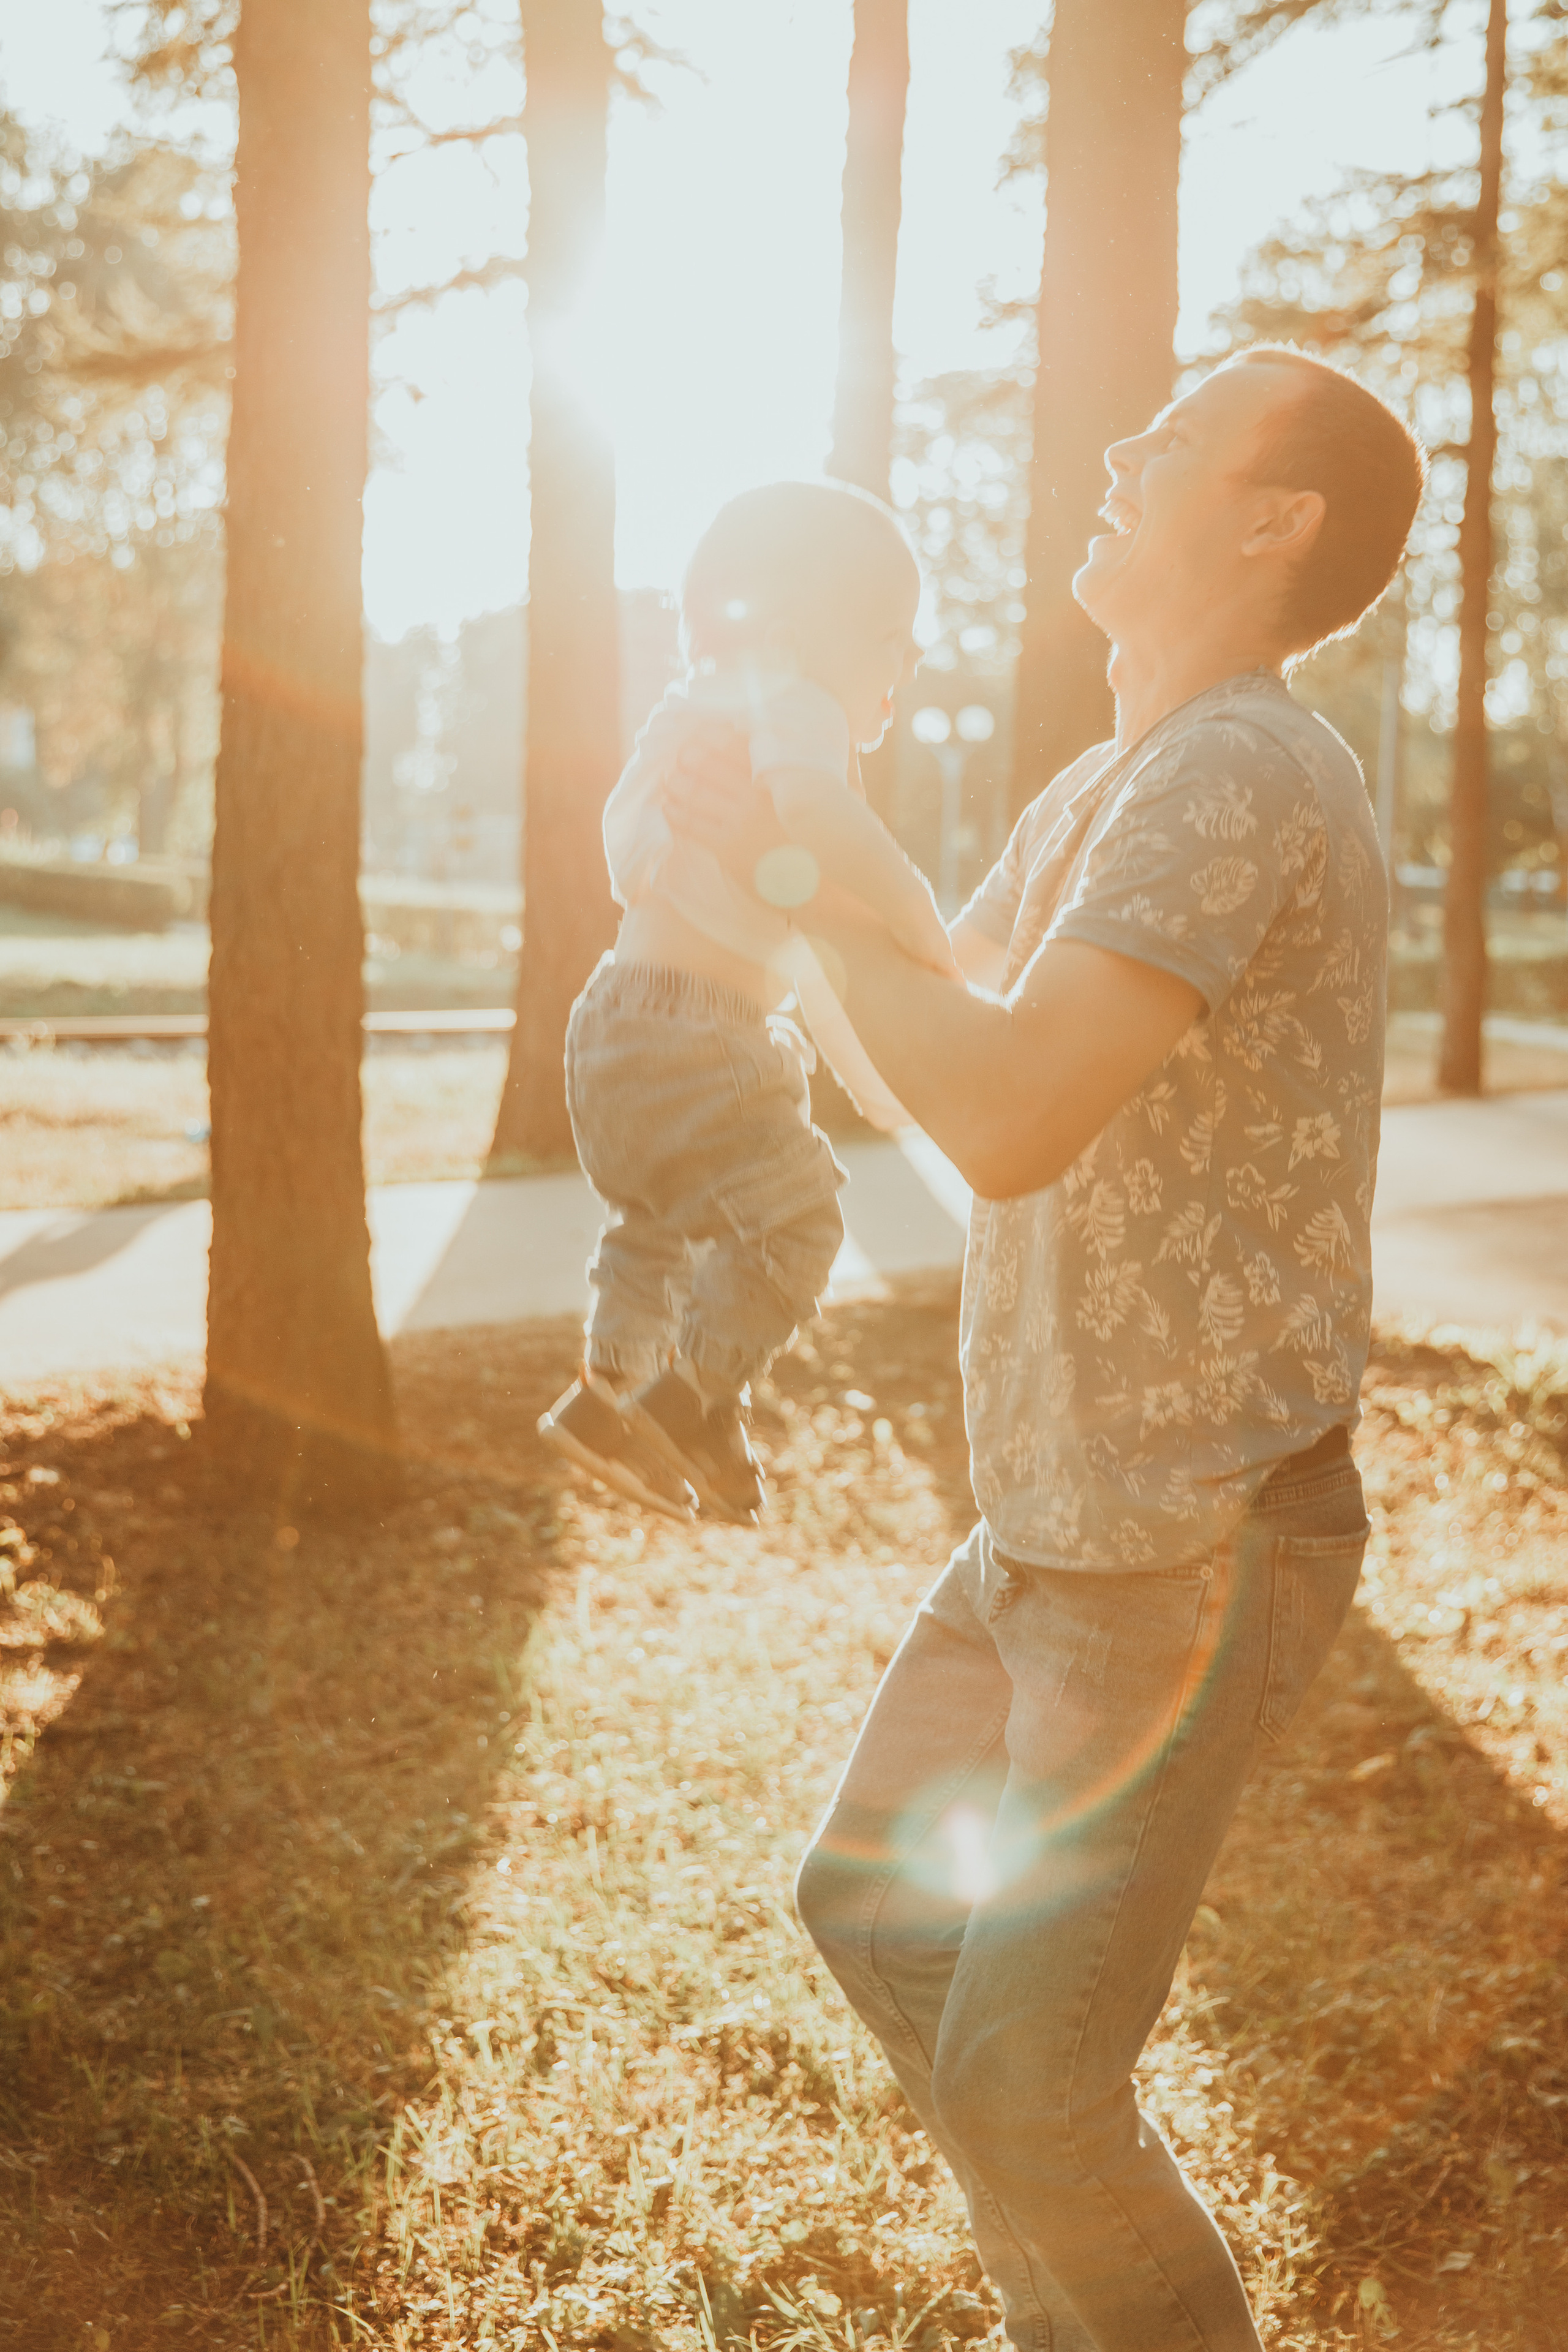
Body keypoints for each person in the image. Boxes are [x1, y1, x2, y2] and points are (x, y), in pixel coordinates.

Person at [667, 348, 1427, 2351]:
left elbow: (1006, 1114)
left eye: (1174, 437)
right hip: (1051, 1517)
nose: (1119, 450)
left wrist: (815, 836)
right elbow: (928, 1036)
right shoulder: (1111, 783)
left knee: (1032, 2087)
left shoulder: (1248, 769)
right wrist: (772, 868)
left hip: (1194, 1548)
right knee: (872, 1910)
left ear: (1274, 520)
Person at [538, 480, 959, 1529]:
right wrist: (913, 908)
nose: (906, 667)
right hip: (705, 1033)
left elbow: (625, 840)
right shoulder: (797, 706)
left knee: (651, 1225)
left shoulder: (687, 713)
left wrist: (879, 1090)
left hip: (609, 1024)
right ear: (797, 636)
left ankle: (606, 1401)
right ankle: (689, 1404)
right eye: (894, 640)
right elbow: (818, 822)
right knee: (799, 1224)